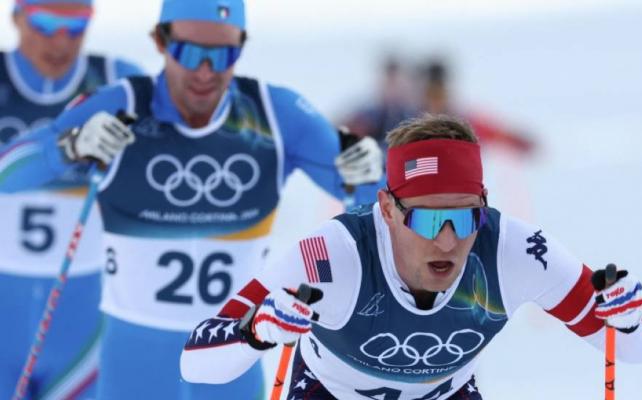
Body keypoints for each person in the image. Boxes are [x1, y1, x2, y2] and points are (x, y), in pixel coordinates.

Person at [0, 0, 383, 398]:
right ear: (160, 42)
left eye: (223, 55)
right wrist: (70, 146)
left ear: (242, 46)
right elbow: (7, 174)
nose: (205, 70)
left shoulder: (276, 115)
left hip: (231, 357)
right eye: (189, 52)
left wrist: (369, 169)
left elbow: (387, 208)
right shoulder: (122, 105)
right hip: (135, 361)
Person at [180, 114, 642, 399]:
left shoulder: (514, 250)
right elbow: (196, 364)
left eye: (467, 218)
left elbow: (639, 348)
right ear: (388, 209)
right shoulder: (333, 255)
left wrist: (632, 316)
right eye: (430, 221)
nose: (448, 241)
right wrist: (255, 332)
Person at [0, 0, 143, 398]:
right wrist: (67, 147)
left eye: (76, 26)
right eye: (45, 24)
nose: (61, 40)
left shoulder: (117, 82)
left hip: (80, 322)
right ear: (16, 18)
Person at [341, 56, 417, 150]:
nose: (393, 90)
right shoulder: (368, 115)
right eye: (389, 83)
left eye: (396, 84)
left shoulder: (413, 115)